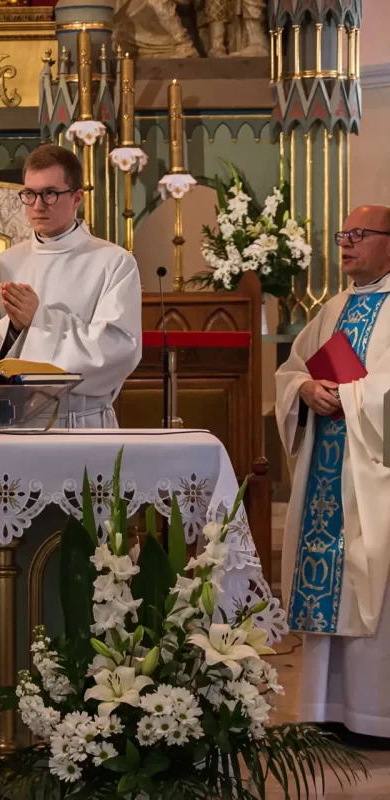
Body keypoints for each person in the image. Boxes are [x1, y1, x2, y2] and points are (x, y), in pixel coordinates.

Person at [276, 205, 390, 740]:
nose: (346, 243)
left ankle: (374, 716)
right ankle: (325, 710)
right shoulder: (334, 307)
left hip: (374, 475)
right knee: (327, 580)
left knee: (373, 582)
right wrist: (304, 389)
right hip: (326, 468)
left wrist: (347, 392)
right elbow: (293, 367)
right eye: (343, 233)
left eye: (360, 235)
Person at [0, 144, 142, 427]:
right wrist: (11, 328)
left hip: (81, 422)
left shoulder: (113, 262)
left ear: (77, 198)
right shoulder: (5, 264)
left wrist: (40, 320)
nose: (37, 205)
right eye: (30, 194)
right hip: (14, 424)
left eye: (50, 193)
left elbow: (119, 351)